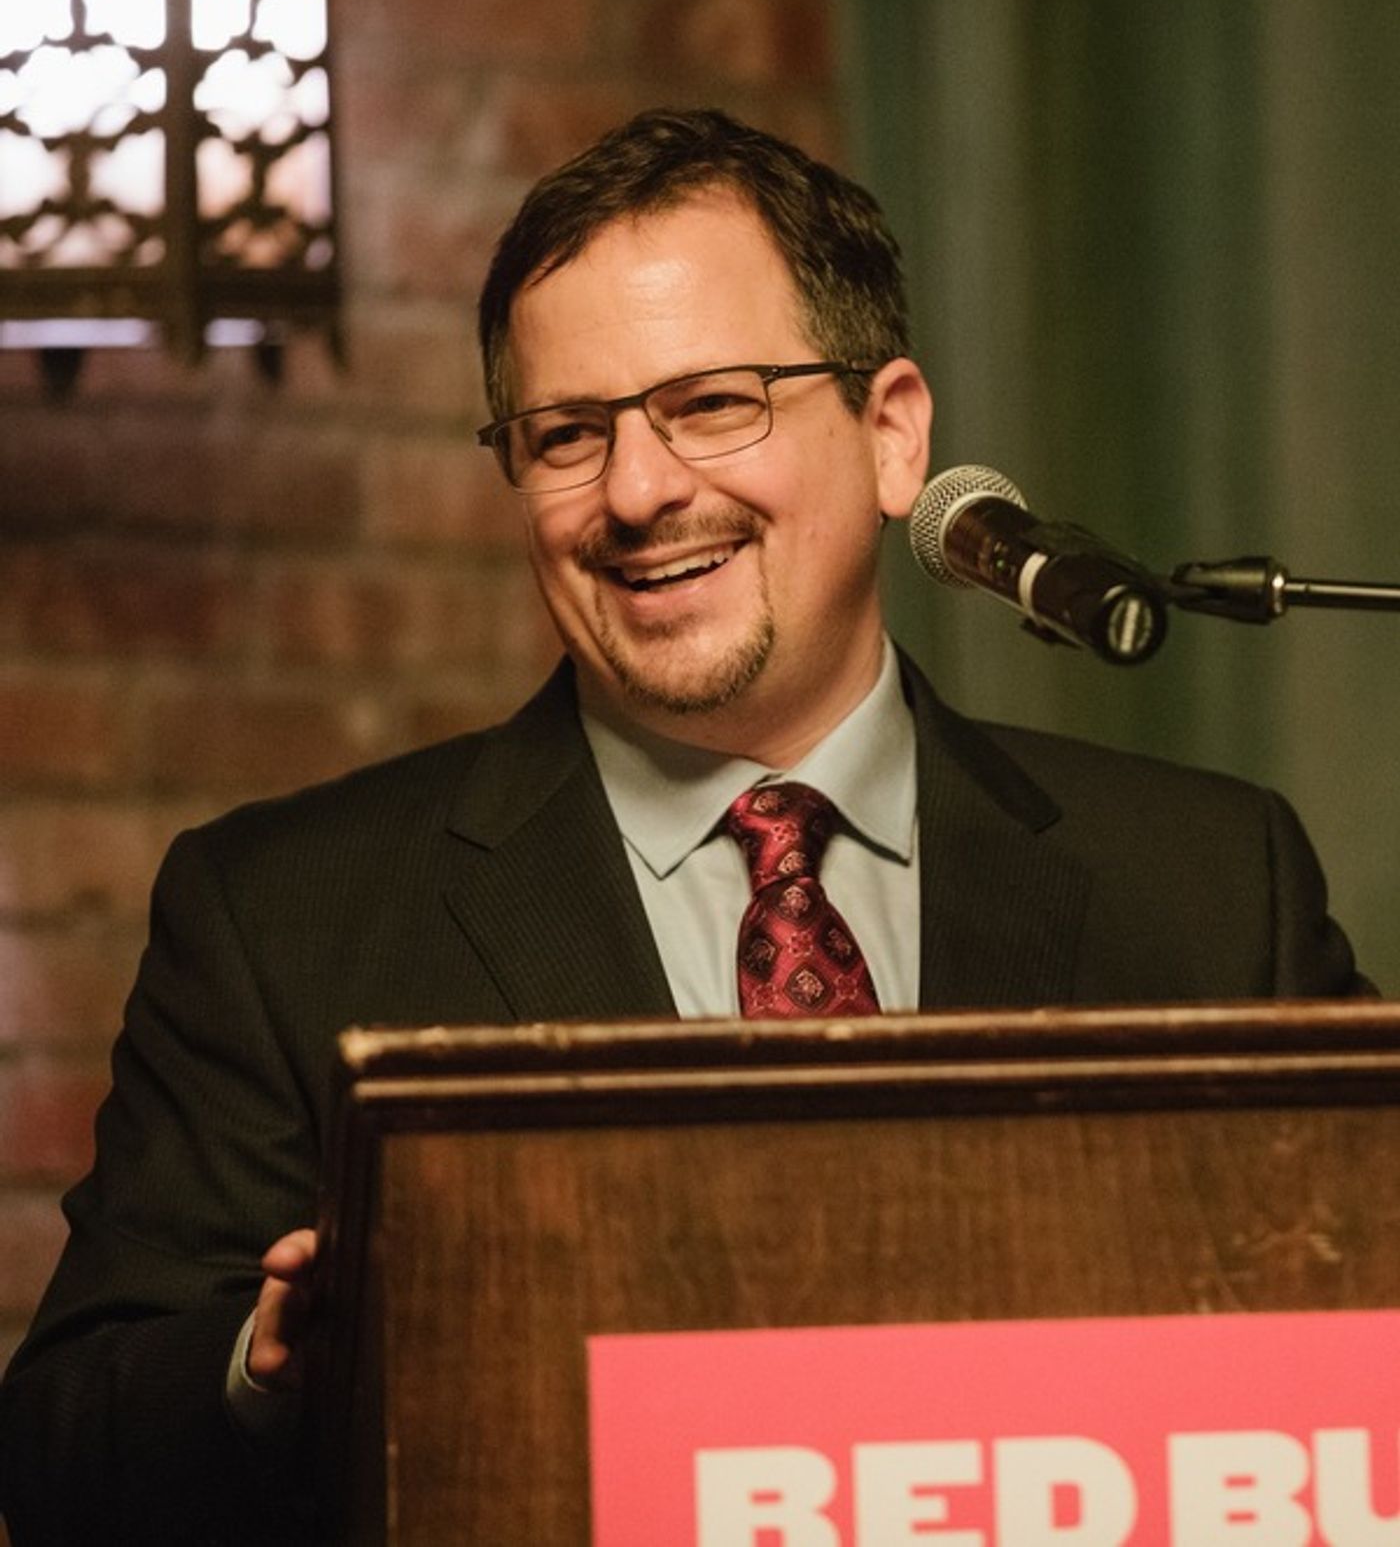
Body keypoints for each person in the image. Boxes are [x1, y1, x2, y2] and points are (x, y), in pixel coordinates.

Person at [0, 108, 1371, 1544]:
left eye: (713, 402)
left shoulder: (1212, 886)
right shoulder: (281, 918)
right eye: (568, 435)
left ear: (893, 435)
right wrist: (268, 1369)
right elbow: (64, 1462)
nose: (641, 492)